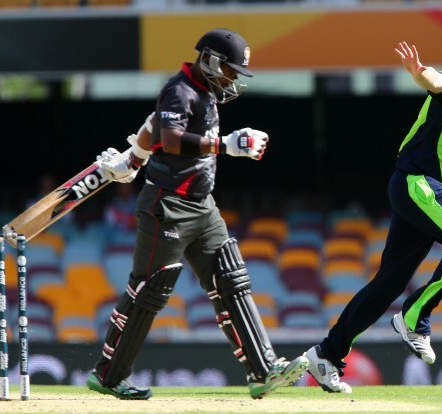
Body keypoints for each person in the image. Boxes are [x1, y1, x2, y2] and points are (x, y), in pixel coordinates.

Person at [85, 28, 308, 400]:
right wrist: (225, 144)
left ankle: (263, 370)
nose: (233, 78)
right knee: (149, 290)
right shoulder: (180, 89)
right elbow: (170, 138)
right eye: (230, 70)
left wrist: (134, 158)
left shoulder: (201, 92)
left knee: (230, 278)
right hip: (167, 206)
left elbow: (153, 124)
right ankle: (108, 376)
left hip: (202, 206)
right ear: (208, 59)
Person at [304, 34, 442, 393]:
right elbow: (439, 82)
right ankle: (414, 317)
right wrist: (421, 73)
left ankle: (327, 355)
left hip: (419, 192)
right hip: (418, 185)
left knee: (387, 284)